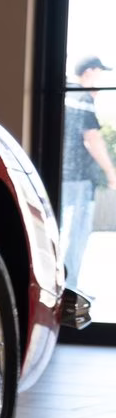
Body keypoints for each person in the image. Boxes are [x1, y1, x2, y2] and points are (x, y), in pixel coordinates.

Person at [63, 57, 116, 286]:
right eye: (100, 72)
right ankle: (70, 290)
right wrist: (111, 172)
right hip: (78, 179)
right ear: (90, 71)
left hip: (61, 177)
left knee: (61, 233)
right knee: (76, 235)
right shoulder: (83, 98)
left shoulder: (66, 95)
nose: (101, 78)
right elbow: (92, 139)